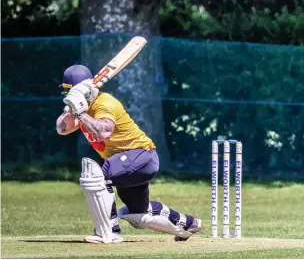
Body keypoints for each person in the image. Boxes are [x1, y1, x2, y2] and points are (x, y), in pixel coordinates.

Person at [56, 64, 202, 243]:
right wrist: (72, 109)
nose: (67, 95)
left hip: (141, 155)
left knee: (97, 176)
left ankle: (108, 232)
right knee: (139, 215)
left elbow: (104, 132)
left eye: (70, 91)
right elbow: (62, 129)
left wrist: (80, 112)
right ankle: (187, 223)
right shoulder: (83, 110)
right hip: (126, 164)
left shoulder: (104, 103)